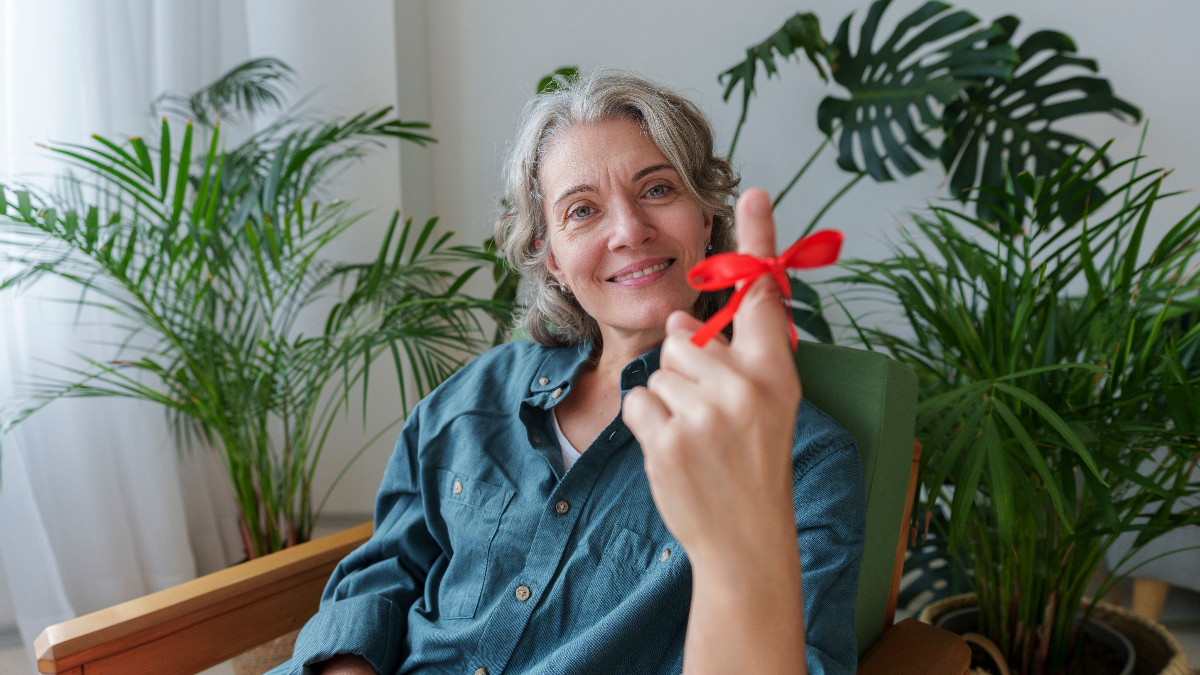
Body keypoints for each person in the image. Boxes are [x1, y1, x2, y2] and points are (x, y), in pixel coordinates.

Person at [272, 69, 865, 675]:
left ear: (706, 217)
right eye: (582, 210)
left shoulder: (797, 459)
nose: (630, 230)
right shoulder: (472, 399)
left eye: (658, 190)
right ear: (552, 256)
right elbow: (386, 570)